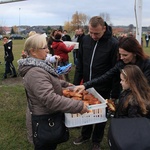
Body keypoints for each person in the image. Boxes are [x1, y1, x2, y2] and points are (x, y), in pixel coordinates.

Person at [17, 34, 89, 150]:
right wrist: (78, 106)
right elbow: (50, 99)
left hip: (47, 116)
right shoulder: (35, 72)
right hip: (44, 120)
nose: (48, 50)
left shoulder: (39, 66)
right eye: (44, 48)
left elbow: (47, 81)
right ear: (33, 52)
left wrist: (64, 84)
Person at [73, 16, 119, 150]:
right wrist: (76, 84)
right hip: (86, 85)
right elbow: (80, 64)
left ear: (104, 28)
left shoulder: (113, 43)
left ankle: (96, 140)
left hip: (104, 87)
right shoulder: (85, 40)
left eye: (96, 33)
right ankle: (85, 135)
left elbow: (115, 71)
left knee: (100, 115)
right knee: (86, 111)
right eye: (91, 32)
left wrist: (114, 93)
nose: (93, 36)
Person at [73, 36, 150, 94]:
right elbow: (106, 76)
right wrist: (85, 85)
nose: (122, 58)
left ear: (135, 53)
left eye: (125, 55)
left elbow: (144, 87)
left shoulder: (147, 64)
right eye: (120, 55)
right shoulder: (122, 64)